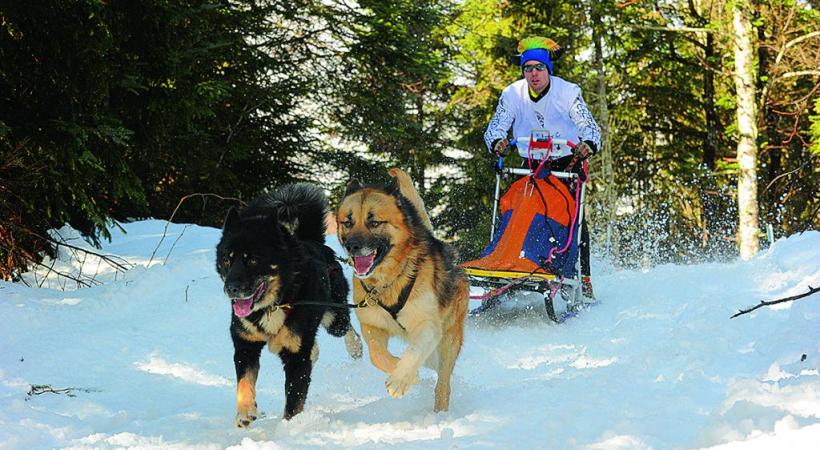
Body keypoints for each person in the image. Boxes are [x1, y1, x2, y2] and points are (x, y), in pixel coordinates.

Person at [484, 36, 601, 300]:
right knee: (521, 210)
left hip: (566, 163)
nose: (533, 74)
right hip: (532, 164)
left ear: (548, 69)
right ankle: (512, 264)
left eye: (539, 68)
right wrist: (497, 142)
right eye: (528, 69)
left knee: (574, 219)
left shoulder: (567, 92)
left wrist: (589, 143)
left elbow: (589, 125)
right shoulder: (513, 94)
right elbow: (496, 127)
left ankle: (582, 276)